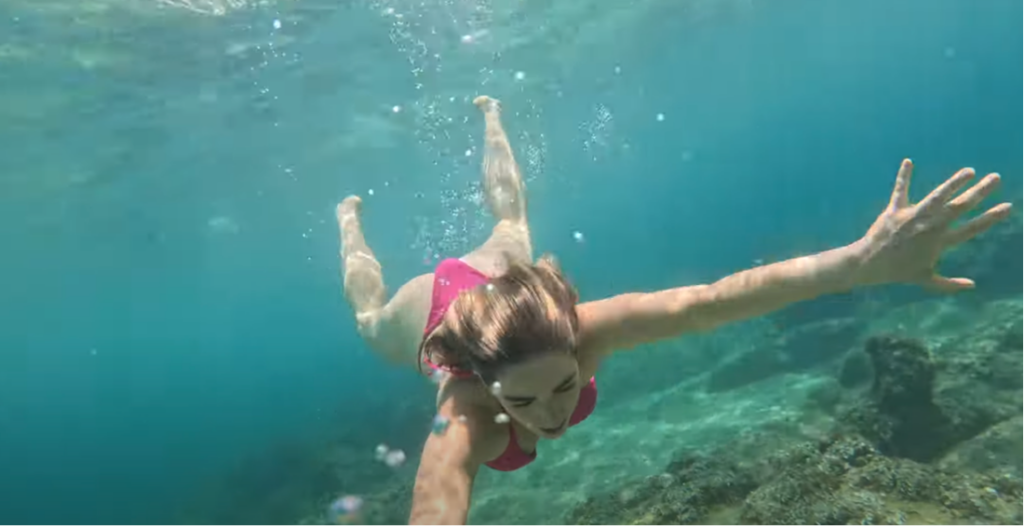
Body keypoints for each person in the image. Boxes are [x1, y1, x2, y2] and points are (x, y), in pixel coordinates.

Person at [335, 95, 1012, 526]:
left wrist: (859, 264)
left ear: (575, 345)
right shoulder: (464, 410)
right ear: (486, 386)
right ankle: (348, 225)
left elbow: (708, 302)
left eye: (566, 384)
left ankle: (491, 115)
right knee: (370, 326)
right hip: (439, 305)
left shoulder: (583, 330)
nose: (553, 413)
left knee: (513, 221)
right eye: (526, 399)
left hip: (501, 284)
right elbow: (436, 491)